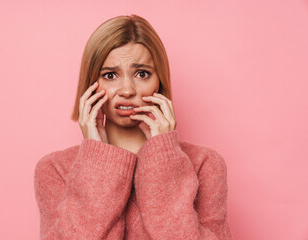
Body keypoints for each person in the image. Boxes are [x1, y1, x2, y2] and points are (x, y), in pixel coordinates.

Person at [34, 14, 233, 239]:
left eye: (142, 74)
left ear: (160, 82)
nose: (127, 90)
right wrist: (97, 161)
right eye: (110, 75)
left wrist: (163, 158)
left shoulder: (205, 165)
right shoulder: (55, 169)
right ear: (90, 85)